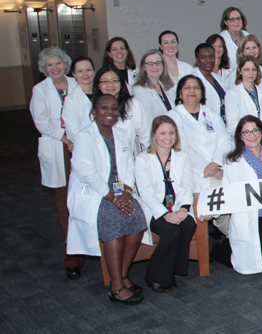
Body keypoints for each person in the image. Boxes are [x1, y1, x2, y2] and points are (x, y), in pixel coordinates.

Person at [68, 94, 148, 305]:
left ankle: (121, 275)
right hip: (96, 192)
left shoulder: (121, 134)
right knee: (113, 221)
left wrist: (128, 191)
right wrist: (112, 198)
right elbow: (87, 172)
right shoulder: (85, 136)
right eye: (104, 107)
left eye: (114, 108)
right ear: (94, 111)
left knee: (137, 219)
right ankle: (117, 287)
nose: (109, 112)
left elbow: (129, 164)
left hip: (120, 191)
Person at [30, 47, 83, 279]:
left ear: (65, 63)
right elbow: (41, 121)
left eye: (58, 63)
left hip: (80, 142)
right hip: (57, 143)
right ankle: (72, 248)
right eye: (49, 65)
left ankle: (90, 238)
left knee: (84, 189)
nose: (54, 68)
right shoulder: (39, 90)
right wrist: (64, 138)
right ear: (44, 68)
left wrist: (77, 138)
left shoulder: (77, 83)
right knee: (63, 193)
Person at [134, 116, 198, 292]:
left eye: (171, 133)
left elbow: (187, 185)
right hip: (154, 210)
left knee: (188, 224)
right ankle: (155, 275)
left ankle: (172, 268)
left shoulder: (182, 156)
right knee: (171, 231)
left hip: (177, 206)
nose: (167, 137)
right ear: (154, 135)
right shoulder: (143, 160)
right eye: (162, 133)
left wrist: (184, 209)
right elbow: (145, 193)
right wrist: (164, 214)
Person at [220, 115, 262, 274]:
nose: (252, 136)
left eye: (255, 130)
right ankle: (221, 249)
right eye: (246, 132)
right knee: (246, 260)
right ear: (240, 136)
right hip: (247, 217)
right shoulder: (233, 161)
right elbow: (226, 192)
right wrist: (211, 212)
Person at [166, 75, 232, 235]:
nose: (192, 91)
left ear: (202, 93)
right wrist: (209, 167)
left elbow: (225, 141)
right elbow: (182, 147)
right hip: (193, 172)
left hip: (218, 168)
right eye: (187, 87)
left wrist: (215, 163)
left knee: (233, 191)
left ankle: (232, 239)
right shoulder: (173, 116)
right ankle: (233, 238)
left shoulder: (211, 114)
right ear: (180, 94)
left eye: (196, 87)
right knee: (223, 193)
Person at [82, 65, 152, 155]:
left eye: (114, 81)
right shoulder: (90, 107)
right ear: (98, 85)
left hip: (128, 160)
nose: (110, 85)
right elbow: (84, 137)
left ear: (121, 84)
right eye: (104, 81)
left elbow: (146, 136)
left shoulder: (133, 105)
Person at [225, 55, 262, 135]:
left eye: (254, 69)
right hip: (244, 140)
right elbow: (232, 127)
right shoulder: (232, 94)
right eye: (247, 69)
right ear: (240, 71)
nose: (251, 73)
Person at [132, 50, 176, 118]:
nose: (155, 67)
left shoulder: (169, 87)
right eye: (150, 64)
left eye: (158, 63)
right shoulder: (139, 91)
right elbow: (146, 119)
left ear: (163, 65)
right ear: (144, 67)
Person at [192, 43, 228, 124]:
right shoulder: (193, 79)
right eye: (203, 57)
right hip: (204, 123)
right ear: (197, 60)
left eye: (211, 57)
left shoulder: (218, 78)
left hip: (222, 122)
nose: (208, 60)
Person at [63, 56, 94, 142]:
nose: (85, 74)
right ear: (74, 74)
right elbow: (73, 132)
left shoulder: (105, 93)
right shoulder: (71, 100)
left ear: (94, 71)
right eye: (80, 71)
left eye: (88, 70)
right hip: (86, 145)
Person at [219, 7, 250, 71]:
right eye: (232, 19)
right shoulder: (221, 39)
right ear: (225, 22)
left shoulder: (247, 35)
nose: (236, 22)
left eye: (238, 18)